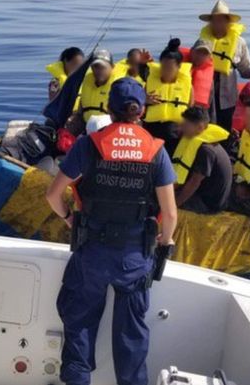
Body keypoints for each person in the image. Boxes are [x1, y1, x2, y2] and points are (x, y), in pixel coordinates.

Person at [45, 78, 177, 385]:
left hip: (91, 252)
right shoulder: (156, 151)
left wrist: (68, 217)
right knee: (131, 333)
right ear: (141, 110)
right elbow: (170, 214)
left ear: (108, 108)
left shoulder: (89, 145)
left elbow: (53, 195)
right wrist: (164, 241)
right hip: (134, 257)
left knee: (80, 324)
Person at [197, 0, 250, 131]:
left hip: (227, 97)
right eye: (214, 20)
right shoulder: (202, 41)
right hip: (205, 97)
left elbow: (245, 71)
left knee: (224, 130)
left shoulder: (239, 42)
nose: (217, 24)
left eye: (221, 20)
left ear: (228, 22)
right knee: (205, 130)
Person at [172, 106, 233, 214]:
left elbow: (194, 182)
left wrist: (173, 206)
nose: (181, 128)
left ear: (200, 127)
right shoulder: (200, 143)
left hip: (208, 203)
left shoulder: (206, 151)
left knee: (159, 200)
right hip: (203, 194)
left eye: (185, 125)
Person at [144, 39, 194, 155]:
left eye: (170, 68)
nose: (165, 71)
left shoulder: (187, 86)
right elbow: (138, 104)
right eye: (163, 67)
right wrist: (144, 100)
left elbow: (191, 109)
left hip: (175, 132)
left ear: (178, 67)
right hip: (152, 129)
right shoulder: (150, 82)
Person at [76, 49, 127, 123]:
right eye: (96, 67)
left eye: (103, 67)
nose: (99, 71)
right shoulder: (87, 80)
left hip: (110, 128)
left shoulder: (119, 87)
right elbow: (81, 106)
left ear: (112, 67)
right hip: (86, 125)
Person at [189, 39, 215, 111]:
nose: (200, 56)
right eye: (198, 52)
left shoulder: (209, 80)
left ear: (210, 57)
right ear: (191, 51)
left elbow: (211, 108)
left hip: (197, 115)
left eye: (204, 53)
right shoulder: (177, 69)